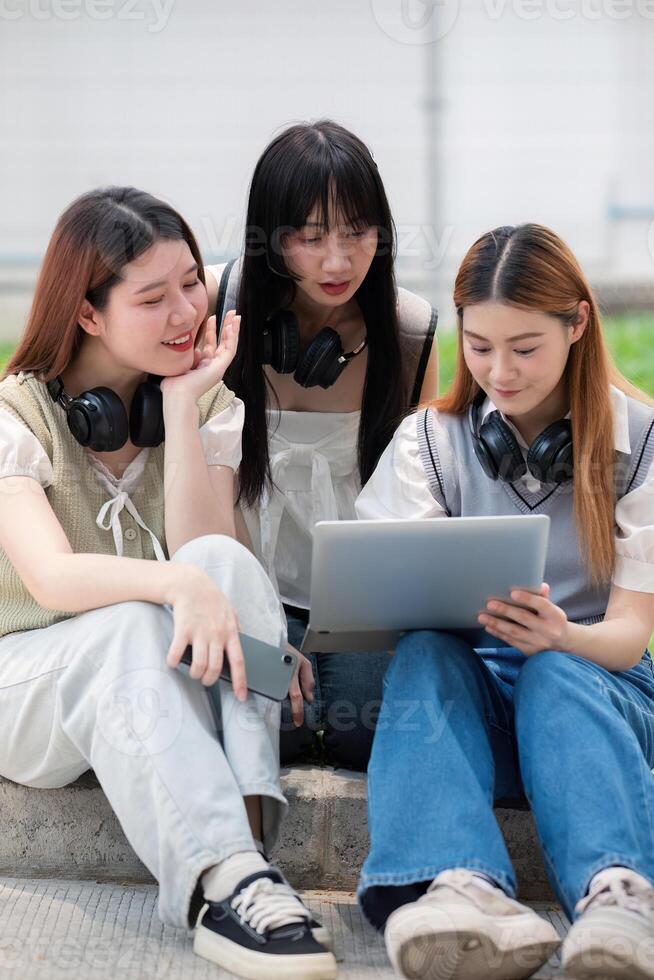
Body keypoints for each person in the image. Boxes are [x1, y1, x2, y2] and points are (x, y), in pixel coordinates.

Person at [0, 187, 337, 980]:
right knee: (133, 618)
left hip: (145, 686)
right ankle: (222, 886)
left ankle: (248, 851)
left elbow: (207, 555)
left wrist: (182, 406)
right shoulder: (17, 415)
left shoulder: (208, 397)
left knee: (225, 563)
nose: (187, 311)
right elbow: (50, 578)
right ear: (87, 314)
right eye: (153, 298)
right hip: (26, 686)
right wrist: (172, 587)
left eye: (192, 282)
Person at [354, 223, 654, 980]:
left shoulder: (642, 441)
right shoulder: (433, 439)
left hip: (598, 700)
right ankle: (462, 888)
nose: (500, 371)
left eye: (526, 347)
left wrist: (559, 637)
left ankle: (619, 897)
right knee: (425, 653)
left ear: (578, 323)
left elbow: (627, 636)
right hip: (481, 711)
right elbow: (379, 592)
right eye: (480, 346)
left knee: (554, 672)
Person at [205, 119, 439, 771]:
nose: (338, 262)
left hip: (360, 598)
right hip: (247, 586)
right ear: (273, 237)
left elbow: (421, 499)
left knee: (359, 735)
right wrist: (255, 623)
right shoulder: (219, 307)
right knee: (272, 728)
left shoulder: (409, 331)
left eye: (357, 233)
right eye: (311, 238)